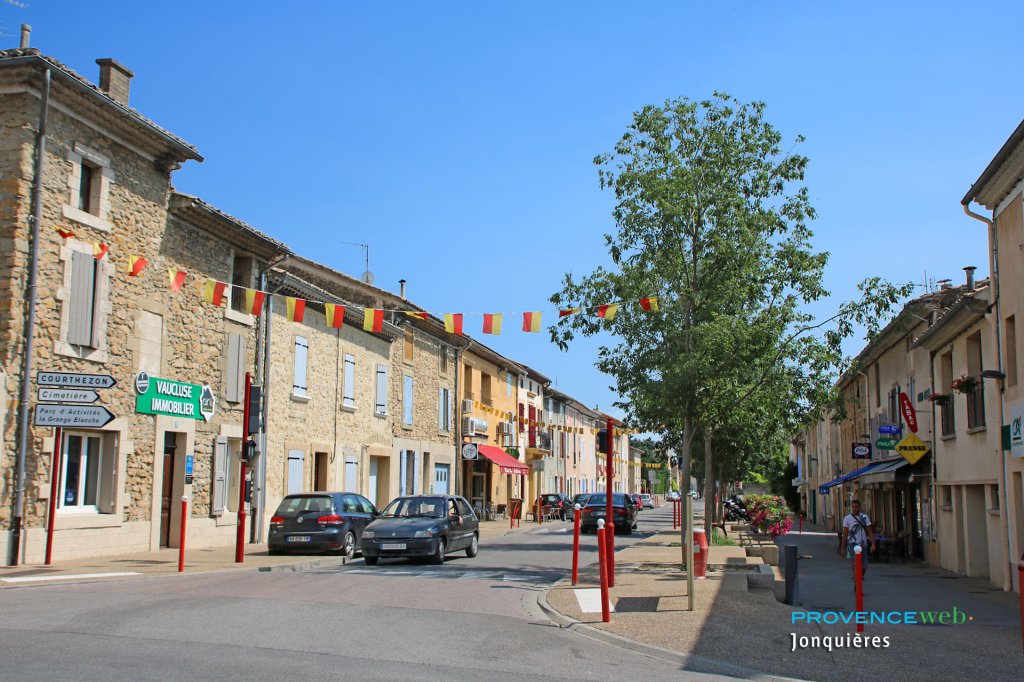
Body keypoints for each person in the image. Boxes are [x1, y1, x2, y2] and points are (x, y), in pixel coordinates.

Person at [841, 499, 876, 579]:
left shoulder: (865, 517)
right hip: (852, 544)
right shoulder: (847, 519)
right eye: (853, 507)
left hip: (863, 544)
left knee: (864, 566)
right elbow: (845, 534)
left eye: (856, 507)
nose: (854, 508)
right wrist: (843, 548)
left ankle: (859, 578)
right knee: (855, 564)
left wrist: (873, 544)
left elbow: (870, 532)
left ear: (859, 507)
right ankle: (857, 585)